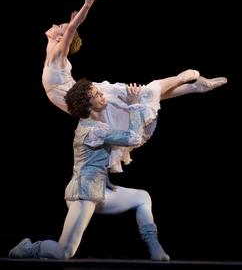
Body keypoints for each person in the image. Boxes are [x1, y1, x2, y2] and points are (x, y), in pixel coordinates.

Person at [42, 0, 227, 173]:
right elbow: (70, 31)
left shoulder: (57, 56)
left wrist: (86, 6)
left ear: (60, 39)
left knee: (143, 93)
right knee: (141, 98)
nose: (55, 24)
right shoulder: (53, 50)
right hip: (82, 100)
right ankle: (195, 87)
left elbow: (70, 31)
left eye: (60, 26)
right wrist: (73, 23)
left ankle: (184, 79)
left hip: (87, 96)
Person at [8, 80, 170, 261]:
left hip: (98, 191)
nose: (101, 95)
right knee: (64, 252)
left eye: (99, 92)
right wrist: (134, 105)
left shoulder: (98, 126)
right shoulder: (93, 131)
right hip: (83, 194)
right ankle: (28, 248)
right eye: (96, 94)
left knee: (142, 197)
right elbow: (133, 138)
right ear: (87, 105)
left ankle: (155, 249)